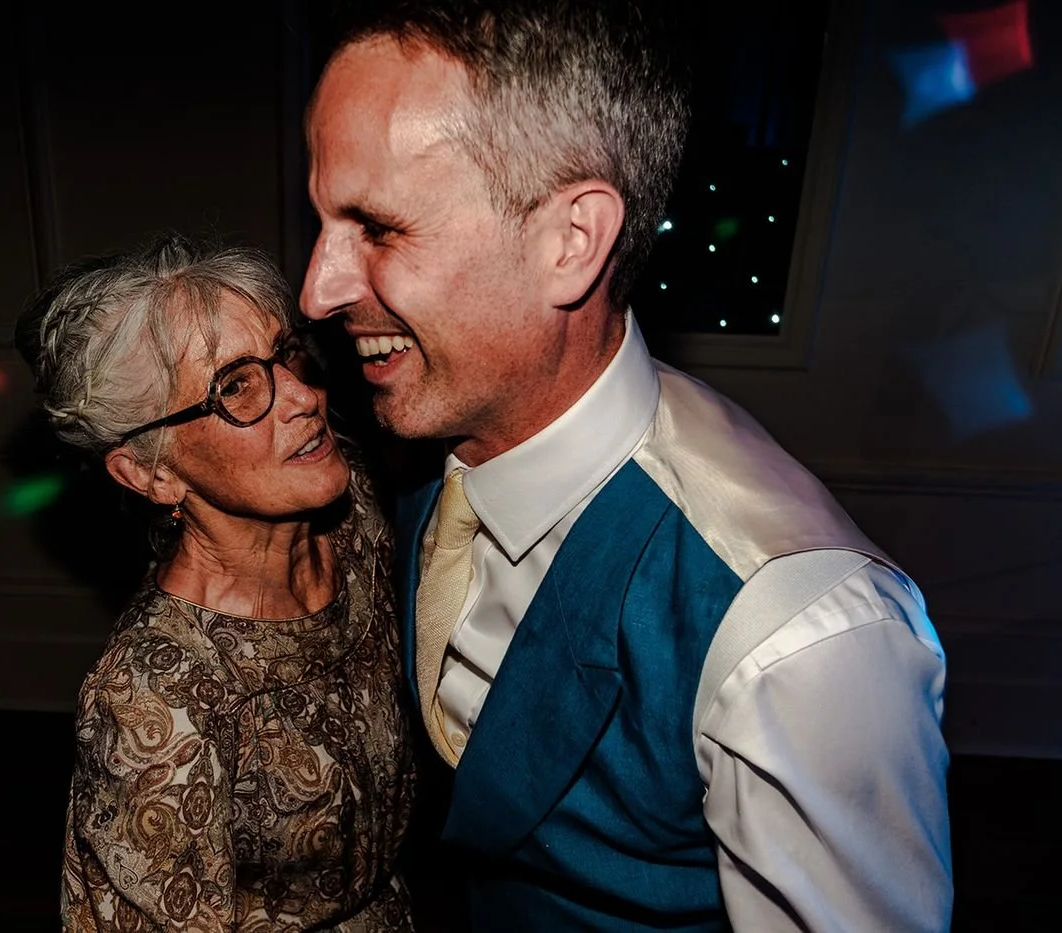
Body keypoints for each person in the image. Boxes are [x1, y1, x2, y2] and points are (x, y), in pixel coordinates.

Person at [299, 2, 953, 930]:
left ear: (571, 241)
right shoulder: (413, 441)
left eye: (381, 227)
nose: (317, 289)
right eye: (322, 219)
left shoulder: (800, 638)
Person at [17, 233, 417, 932]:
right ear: (152, 473)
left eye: (287, 353)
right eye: (234, 386)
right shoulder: (152, 700)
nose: (301, 395)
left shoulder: (351, 511)